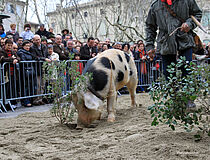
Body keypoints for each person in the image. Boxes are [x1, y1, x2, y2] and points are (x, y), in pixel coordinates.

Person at [145, 0, 202, 107]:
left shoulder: (187, 1)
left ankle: (189, 99)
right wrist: (149, 45)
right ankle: (174, 100)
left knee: (186, 69)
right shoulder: (155, 5)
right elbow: (150, 27)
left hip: (184, 39)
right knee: (168, 74)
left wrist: (189, 23)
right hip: (165, 42)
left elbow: (197, 14)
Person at [0, 39, 20, 109]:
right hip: (5, 73)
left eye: (11, 45)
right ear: (5, 45)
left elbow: (18, 58)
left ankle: (12, 102)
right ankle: (5, 104)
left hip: (13, 73)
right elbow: (3, 59)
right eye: (8, 45)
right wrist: (12, 59)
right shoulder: (1, 51)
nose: (9, 47)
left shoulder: (12, 51)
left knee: (12, 88)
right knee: (5, 89)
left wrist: (16, 59)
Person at [17, 41, 38, 107]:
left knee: (31, 86)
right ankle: (26, 101)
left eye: (29, 46)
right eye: (26, 46)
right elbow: (24, 61)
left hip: (31, 71)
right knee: (25, 87)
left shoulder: (30, 52)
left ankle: (30, 100)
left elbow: (35, 58)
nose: (28, 47)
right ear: (23, 46)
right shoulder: (21, 52)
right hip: (24, 71)